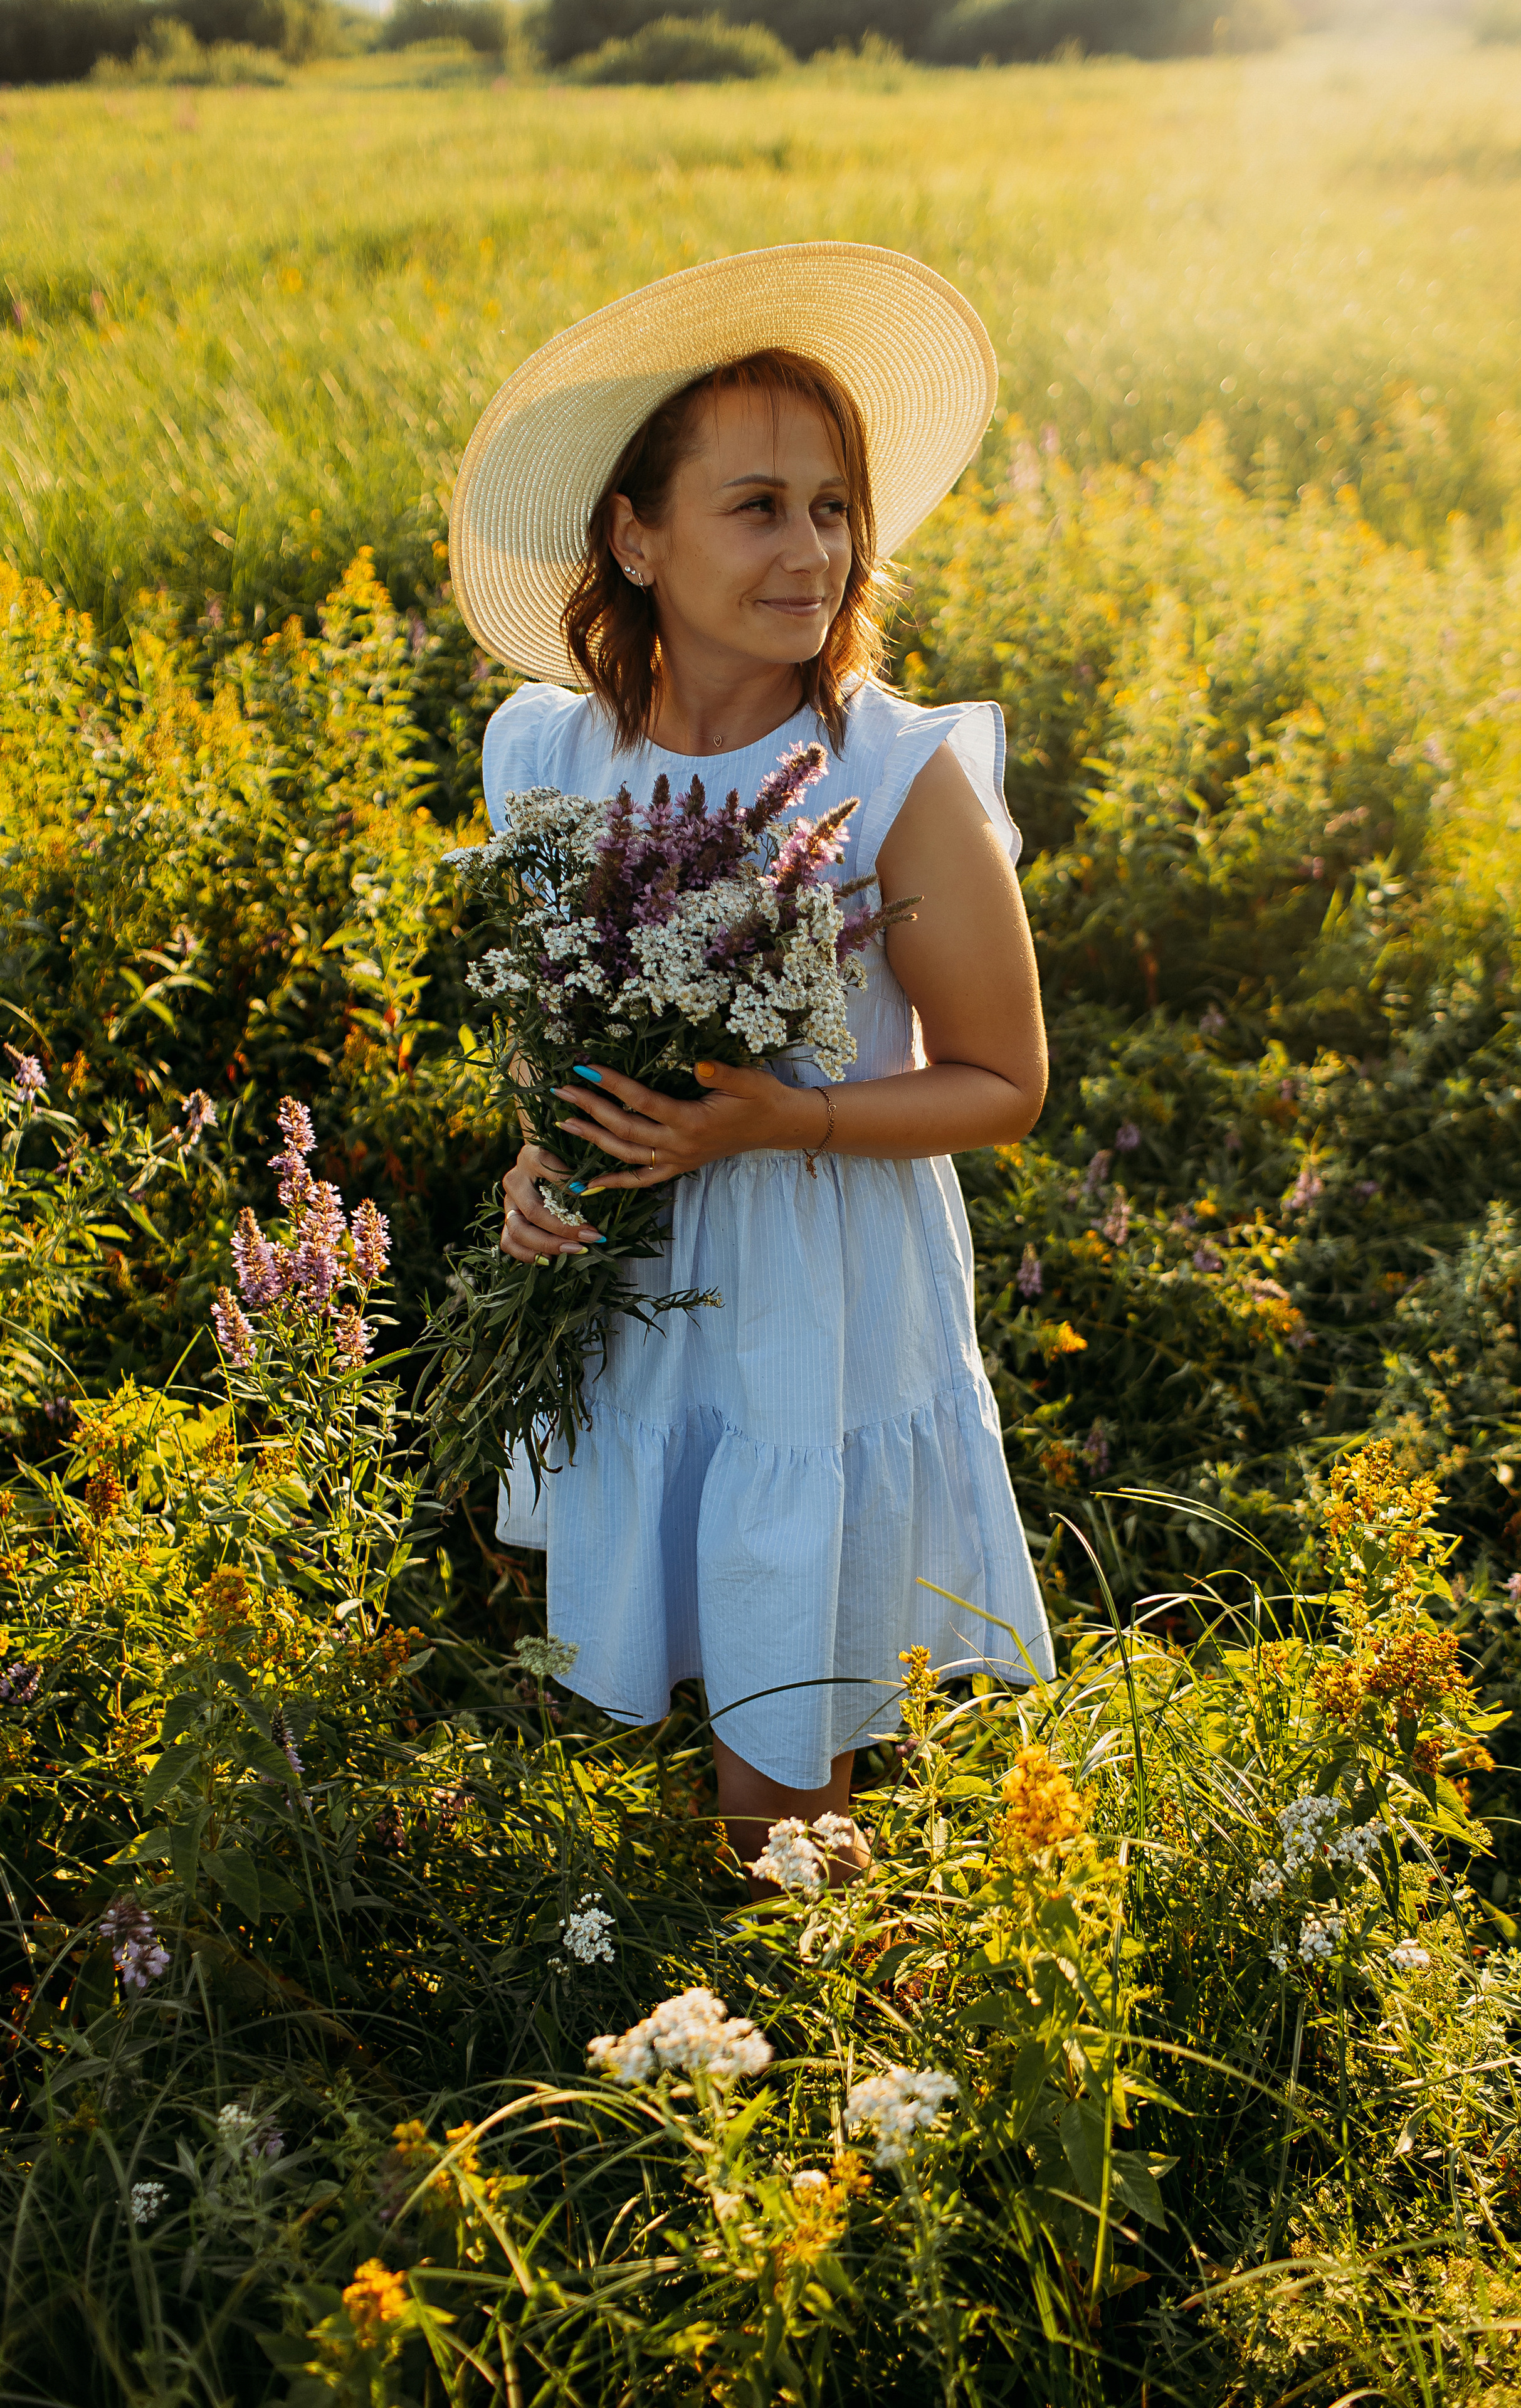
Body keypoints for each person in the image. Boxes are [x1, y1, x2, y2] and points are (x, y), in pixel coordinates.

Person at [450, 242, 1055, 1884]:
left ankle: (817, 1988)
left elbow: (1005, 1082)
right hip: (637, 1287)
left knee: (780, 1752)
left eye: (835, 509)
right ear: (634, 537)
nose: (814, 552)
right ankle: (707, 1977)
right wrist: (541, 1162)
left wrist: (782, 1118)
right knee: (653, 1653)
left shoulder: (891, 774)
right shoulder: (550, 751)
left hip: (814, 1292)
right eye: (759, 507)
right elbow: (563, 1030)